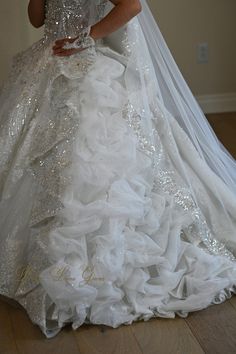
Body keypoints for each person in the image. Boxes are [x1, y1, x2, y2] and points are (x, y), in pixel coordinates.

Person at [0, 0, 236, 339]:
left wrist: (88, 36)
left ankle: (85, 265)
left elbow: (131, 5)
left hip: (88, 65)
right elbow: (38, 19)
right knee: (30, 153)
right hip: (49, 61)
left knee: (85, 162)